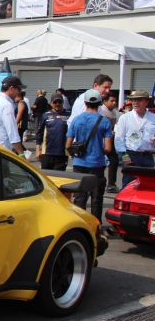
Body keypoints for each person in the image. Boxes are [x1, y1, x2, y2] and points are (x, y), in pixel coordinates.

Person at [65, 91, 112, 222]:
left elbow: (68, 144)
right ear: (100, 103)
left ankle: (80, 224)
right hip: (97, 164)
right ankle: (96, 226)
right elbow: (108, 148)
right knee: (97, 197)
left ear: (85, 103)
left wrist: (75, 155)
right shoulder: (105, 122)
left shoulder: (76, 119)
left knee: (80, 197)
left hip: (79, 164)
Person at [114, 90, 155, 188]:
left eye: (139, 100)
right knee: (128, 185)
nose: (135, 103)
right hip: (131, 155)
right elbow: (118, 138)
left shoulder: (153, 117)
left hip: (148, 157)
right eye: (133, 100)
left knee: (148, 186)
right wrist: (124, 156)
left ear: (146, 102)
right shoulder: (125, 117)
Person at [35, 96, 68, 170]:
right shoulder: (45, 115)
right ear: (51, 103)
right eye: (55, 102)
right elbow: (39, 133)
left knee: (59, 178)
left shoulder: (68, 114)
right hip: (47, 152)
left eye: (60, 102)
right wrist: (38, 150)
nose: (57, 104)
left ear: (63, 103)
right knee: (46, 177)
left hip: (62, 153)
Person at [99, 93, 120, 192]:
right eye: (112, 101)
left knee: (114, 160)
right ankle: (96, 182)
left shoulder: (115, 112)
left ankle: (111, 184)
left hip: (110, 139)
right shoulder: (101, 110)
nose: (114, 103)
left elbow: (118, 124)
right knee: (99, 162)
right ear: (105, 101)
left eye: (115, 101)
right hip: (100, 139)